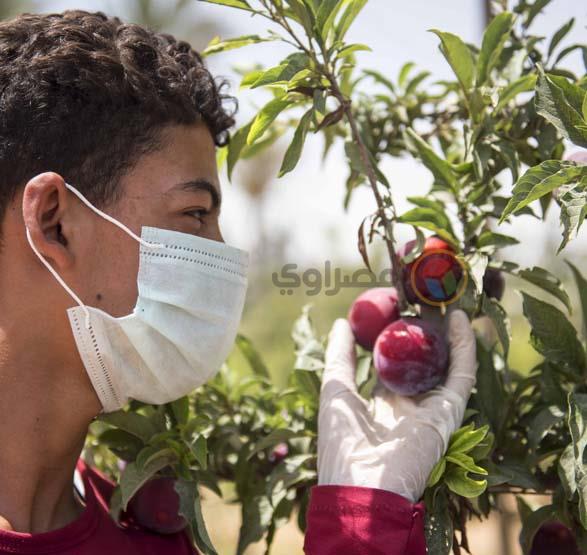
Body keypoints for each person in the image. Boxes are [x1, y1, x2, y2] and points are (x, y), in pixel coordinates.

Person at [0, 10, 477, 555]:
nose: (221, 253)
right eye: (195, 213)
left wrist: (363, 519)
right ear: (56, 223)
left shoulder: (150, 534)